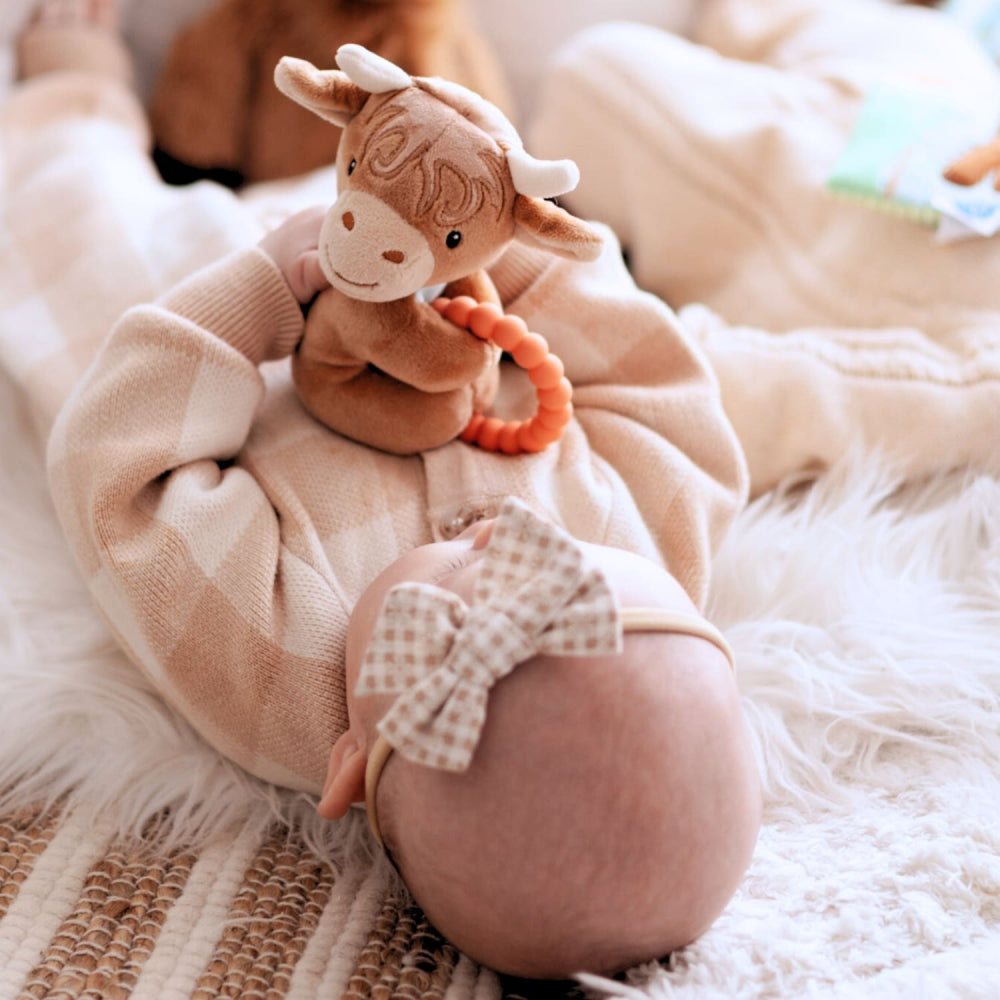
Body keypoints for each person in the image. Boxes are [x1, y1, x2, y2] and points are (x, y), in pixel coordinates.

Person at [4, 0, 761, 980]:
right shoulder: (652, 549)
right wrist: (503, 250)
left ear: (354, 759)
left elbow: (120, 467)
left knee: (72, 239)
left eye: (455, 591)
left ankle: (76, 88)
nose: (503, 546)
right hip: (433, 244)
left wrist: (261, 295)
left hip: (216, 306)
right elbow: (658, 385)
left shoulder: (289, 676)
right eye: (564, 566)